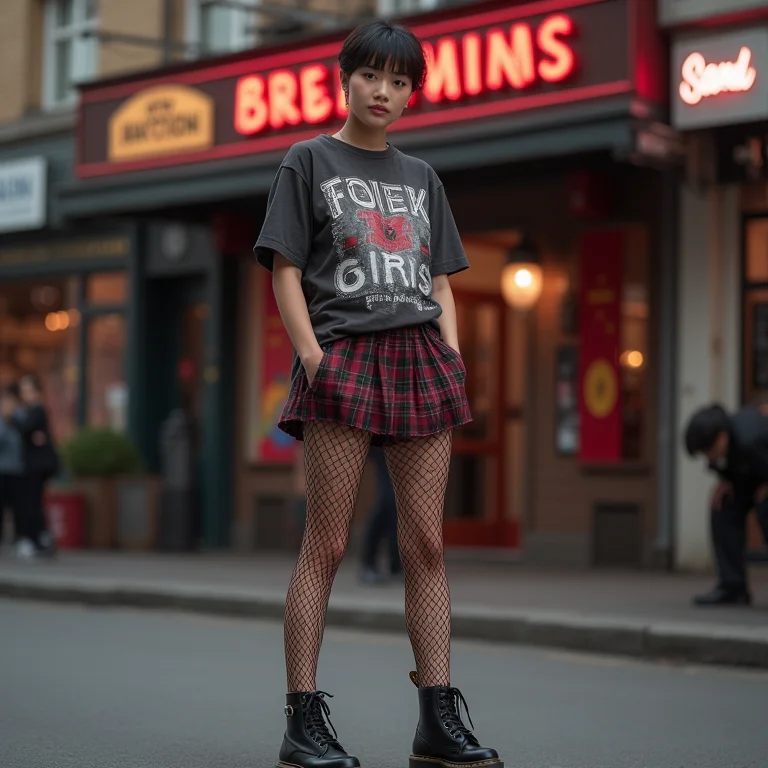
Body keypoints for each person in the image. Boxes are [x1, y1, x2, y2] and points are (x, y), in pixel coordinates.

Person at [254, 19, 501, 768]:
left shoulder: (422, 178)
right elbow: (285, 267)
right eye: (373, 76)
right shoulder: (308, 160)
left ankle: (437, 718)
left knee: (425, 542)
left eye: (401, 82)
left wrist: (451, 352)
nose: (385, 92)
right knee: (326, 545)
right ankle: (304, 720)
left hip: (420, 357)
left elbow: (439, 279)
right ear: (346, 76)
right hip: (345, 358)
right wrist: (312, 357)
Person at [684, 403, 768, 606]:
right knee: (723, 508)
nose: (708, 457)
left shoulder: (752, 434)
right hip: (750, 481)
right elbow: (732, 470)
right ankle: (733, 587)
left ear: (721, 437)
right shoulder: (721, 452)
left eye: (708, 450)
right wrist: (726, 482)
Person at [10, 375, 59, 558]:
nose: (26, 395)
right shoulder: (30, 411)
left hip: (36, 467)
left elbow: (25, 429)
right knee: (31, 503)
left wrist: (12, 418)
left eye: (29, 390)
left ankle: (37, 541)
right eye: (23, 391)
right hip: (30, 465)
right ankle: (39, 539)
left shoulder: (37, 410)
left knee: (32, 503)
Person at [359, 446, 402, 584]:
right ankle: (369, 561)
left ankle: (397, 564)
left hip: (410, 437)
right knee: (389, 500)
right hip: (383, 438)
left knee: (399, 502)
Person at [0, 387, 23, 551]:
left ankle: (19, 538)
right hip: (2, 469)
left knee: (17, 506)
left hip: (17, 470)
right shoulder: (2, 422)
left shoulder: (19, 420)